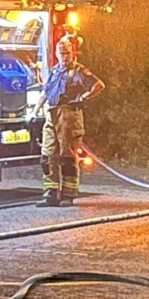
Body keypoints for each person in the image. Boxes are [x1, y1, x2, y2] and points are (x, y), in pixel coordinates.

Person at [28, 34, 104, 207]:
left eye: (67, 53)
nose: (64, 57)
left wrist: (83, 97)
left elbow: (98, 85)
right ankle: (51, 194)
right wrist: (34, 112)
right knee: (47, 156)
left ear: (73, 53)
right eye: (61, 53)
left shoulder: (79, 70)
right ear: (56, 53)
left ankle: (68, 195)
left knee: (67, 156)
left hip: (68, 116)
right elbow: (45, 92)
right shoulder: (54, 71)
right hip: (52, 115)